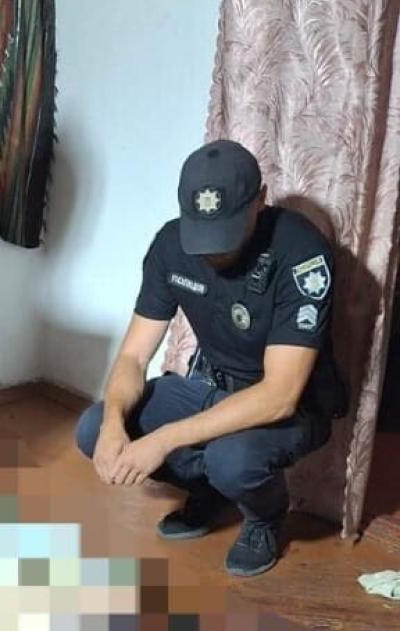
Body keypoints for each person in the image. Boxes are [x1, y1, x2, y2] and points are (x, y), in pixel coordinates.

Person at [75, 140, 347, 577]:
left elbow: (279, 395)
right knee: (93, 428)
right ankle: (211, 489)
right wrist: (112, 423)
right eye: (203, 233)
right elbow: (133, 356)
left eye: (226, 232)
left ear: (260, 200)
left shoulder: (300, 251)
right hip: (209, 386)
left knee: (230, 460)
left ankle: (264, 518)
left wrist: (164, 440)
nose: (213, 251)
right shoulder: (170, 245)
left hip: (287, 407)